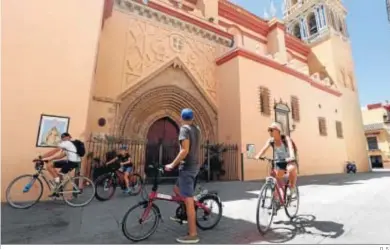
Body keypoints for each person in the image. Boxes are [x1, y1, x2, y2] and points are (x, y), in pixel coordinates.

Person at [165, 108, 201, 244]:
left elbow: (185, 150)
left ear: (181, 118)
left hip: (187, 168)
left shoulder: (185, 129)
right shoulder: (196, 129)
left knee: (188, 200)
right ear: (192, 118)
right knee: (176, 189)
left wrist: (172, 164)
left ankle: (193, 234)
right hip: (193, 166)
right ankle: (186, 213)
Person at [255, 122, 298, 200]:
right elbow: (264, 149)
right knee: (275, 176)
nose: (270, 132)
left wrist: (291, 156)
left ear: (278, 131)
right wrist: (258, 155)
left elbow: (291, 148)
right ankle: (277, 198)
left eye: (271, 130)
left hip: (289, 160)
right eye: (269, 130)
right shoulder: (271, 141)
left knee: (292, 168)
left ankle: (292, 188)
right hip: (279, 161)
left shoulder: (285, 138)